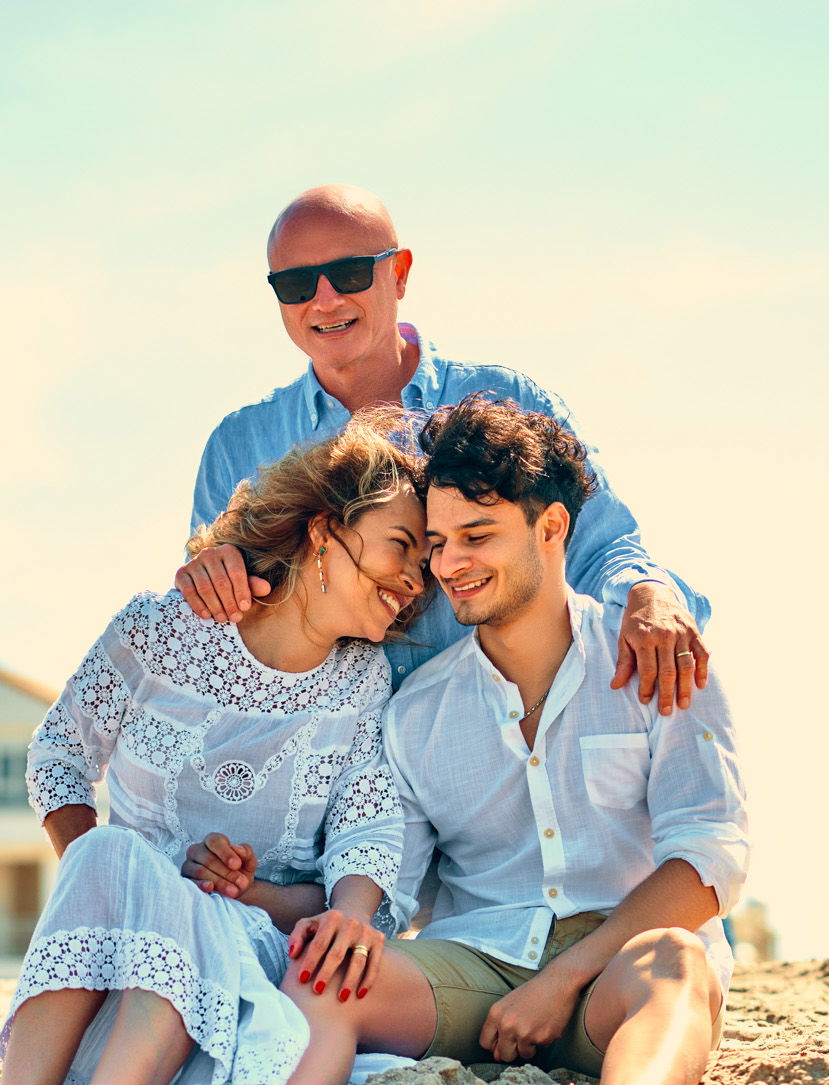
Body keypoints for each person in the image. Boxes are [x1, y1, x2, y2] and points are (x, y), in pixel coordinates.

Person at [152, 396, 748, 1085]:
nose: (450, 565)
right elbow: (381, 891)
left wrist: (562, 979)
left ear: (551, 528)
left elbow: (710, 860)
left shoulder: (655, 657)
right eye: (435, 543)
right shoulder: (416, 712)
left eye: (478, 536)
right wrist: (247, 890)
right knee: (329, 968)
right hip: (479, 969)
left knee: (679, 960)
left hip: (621, 968)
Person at [0, 414, 425, 1085]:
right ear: (325, 531)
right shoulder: (159, 629)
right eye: (400, 547)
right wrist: (117, 891)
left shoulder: (363, 680)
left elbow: (366, 834)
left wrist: (264, 894)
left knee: (190, 905)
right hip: (97, 983)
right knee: (108, 850)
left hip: (234, 972)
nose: (414, 580)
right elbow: (58, 755)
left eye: (422, 563)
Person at [176, 182, 710, 716]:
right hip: (328, 760)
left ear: (400, 273)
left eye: (350, 273)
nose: (325, 299)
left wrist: (649, 593)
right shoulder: (237, 445)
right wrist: (207, 579)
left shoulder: (507, 400)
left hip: (505, 743)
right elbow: (213, 637)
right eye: (295, 284)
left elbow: (600, 546)